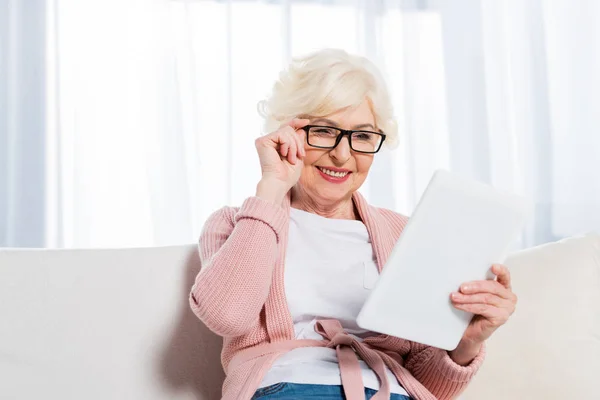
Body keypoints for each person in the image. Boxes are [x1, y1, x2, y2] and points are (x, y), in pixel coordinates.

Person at [189, 49, 518, 400]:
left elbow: (427, 385)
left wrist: (465, 343)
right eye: (324, 131)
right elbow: (227, 316)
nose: (342, 156)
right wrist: (271, 185)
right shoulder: (235, 223)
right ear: (288, 132)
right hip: (288, 388)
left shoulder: (404, 234)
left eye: (362, 136)